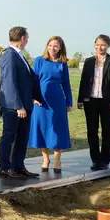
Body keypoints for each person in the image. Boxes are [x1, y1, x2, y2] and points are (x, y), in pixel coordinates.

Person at [0, 26, 42, 180]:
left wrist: (33, 97)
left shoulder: (19, 55)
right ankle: (5, 168)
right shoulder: (9, 55)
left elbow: (25, 80)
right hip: (13, 107)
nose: (28, 40)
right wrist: (18, 106)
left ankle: (18, 166)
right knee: (9, 137)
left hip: (25, 105)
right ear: (22, 38)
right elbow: (9, 82)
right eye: (27, 38)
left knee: (22, 137)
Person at [28, 36, 73, 173]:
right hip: (41, 101)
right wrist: (33, 97)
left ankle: (57, 160)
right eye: (50, 45)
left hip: (58, 101)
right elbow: (33, 81)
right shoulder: (39, 60)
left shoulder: (62, 64)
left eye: (55, 46)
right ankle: (45, 160)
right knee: (43, 129)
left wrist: (69, 101)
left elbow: (66, 84)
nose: (52, 48)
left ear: (60, 48)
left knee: (57, 129)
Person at [77, 34, 110, 171]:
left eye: (103, 44)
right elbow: (84, 81)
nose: (100, 47)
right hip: (90, 100)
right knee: (92, 131)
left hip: (107, 102)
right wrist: (80, 99)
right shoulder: (89, 61)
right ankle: (95, 159)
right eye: (97, 44)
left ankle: (105, 160)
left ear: (108, 46)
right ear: (94, 45)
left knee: (107, 131)